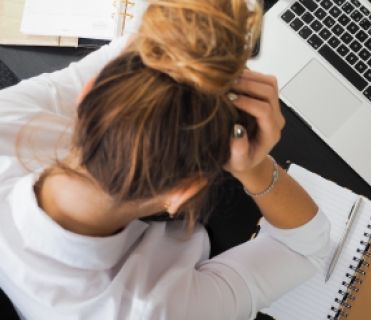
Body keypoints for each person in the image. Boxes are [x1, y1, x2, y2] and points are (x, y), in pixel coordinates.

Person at [0, 0, 331, 319]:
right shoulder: (154, 310)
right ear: (182, 195)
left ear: (86, 95)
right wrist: (255, 167)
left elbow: (134, 47)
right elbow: (303, 248)